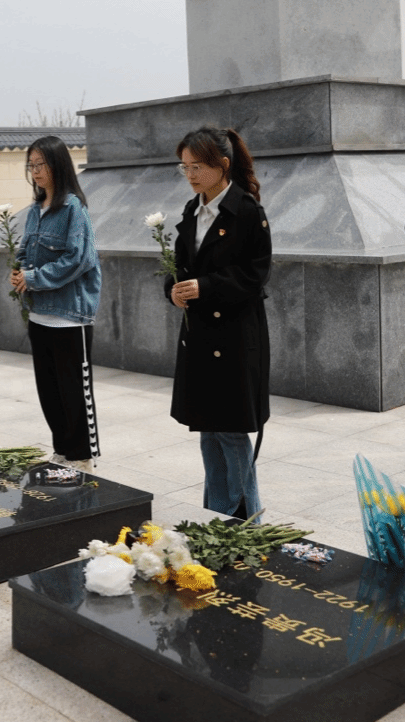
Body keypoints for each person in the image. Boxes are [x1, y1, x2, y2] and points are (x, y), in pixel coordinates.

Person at [165, 126, 271, 521]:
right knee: (208, 428)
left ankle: (246, 515)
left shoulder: (247, 211)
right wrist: (173, 290)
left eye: (198, 167)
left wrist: (206, 286)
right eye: (185, 167)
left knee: (230, 429)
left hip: (234, 337)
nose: (190, 175)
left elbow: (256, 275)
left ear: (222, 165)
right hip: (200, 336)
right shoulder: (192, 210)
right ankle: (217, 512)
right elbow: (179, 267)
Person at [9, 136, 102, 472]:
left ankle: (82, 458)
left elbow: (79, 259)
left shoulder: (74, 209)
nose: (35, 171)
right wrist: (19, 271)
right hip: (39, 314)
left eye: (41, 164)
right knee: (49, 391)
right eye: (31, 165)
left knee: (73, 391)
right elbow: (25, 250)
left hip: (69, 316)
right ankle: (62, 451)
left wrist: (34, 277)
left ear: (58, 165)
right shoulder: (36, 210)